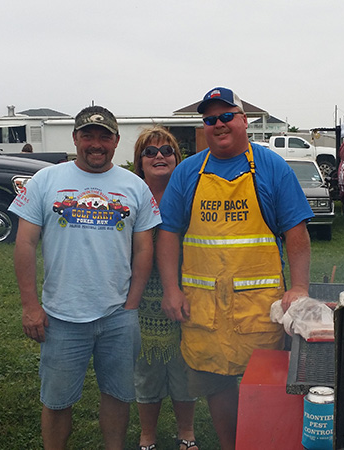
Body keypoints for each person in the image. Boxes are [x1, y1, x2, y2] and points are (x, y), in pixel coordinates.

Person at [157, 87, 314, 450]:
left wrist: (301, 287)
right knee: (216, 384)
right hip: (204, 309)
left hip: (259, 308)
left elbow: (296, 230)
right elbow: (168, 233)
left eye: (226, 116)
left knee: (266, 383)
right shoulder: (188, 172)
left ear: (244, 121)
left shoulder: (271, 167)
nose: (219, 124)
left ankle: (265, 441)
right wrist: (171, 288)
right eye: (210, 119)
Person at [10, 106, 161, 450]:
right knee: (57, 401)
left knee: (118, 395)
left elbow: (143, 249)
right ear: (75, 138)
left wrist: (132, 304)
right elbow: (25, 243)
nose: (96, 144)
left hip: (117, 316)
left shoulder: (134, 186)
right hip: (61, 316)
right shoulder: (46, 181)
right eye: (88, 136)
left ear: (116, 141)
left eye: (104, 137)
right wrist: (31, 306)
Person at [132, 127, 198, 450]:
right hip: (142, 298)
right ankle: (148, 436)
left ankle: (186, 432)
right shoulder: (129, 197)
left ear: (177, 158)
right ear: (139, 162)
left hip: (186, 294)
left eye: (167, 151)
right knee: (147, 370)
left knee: (185, 368)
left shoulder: (191, 193)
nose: (159, 156)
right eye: (150, 151)